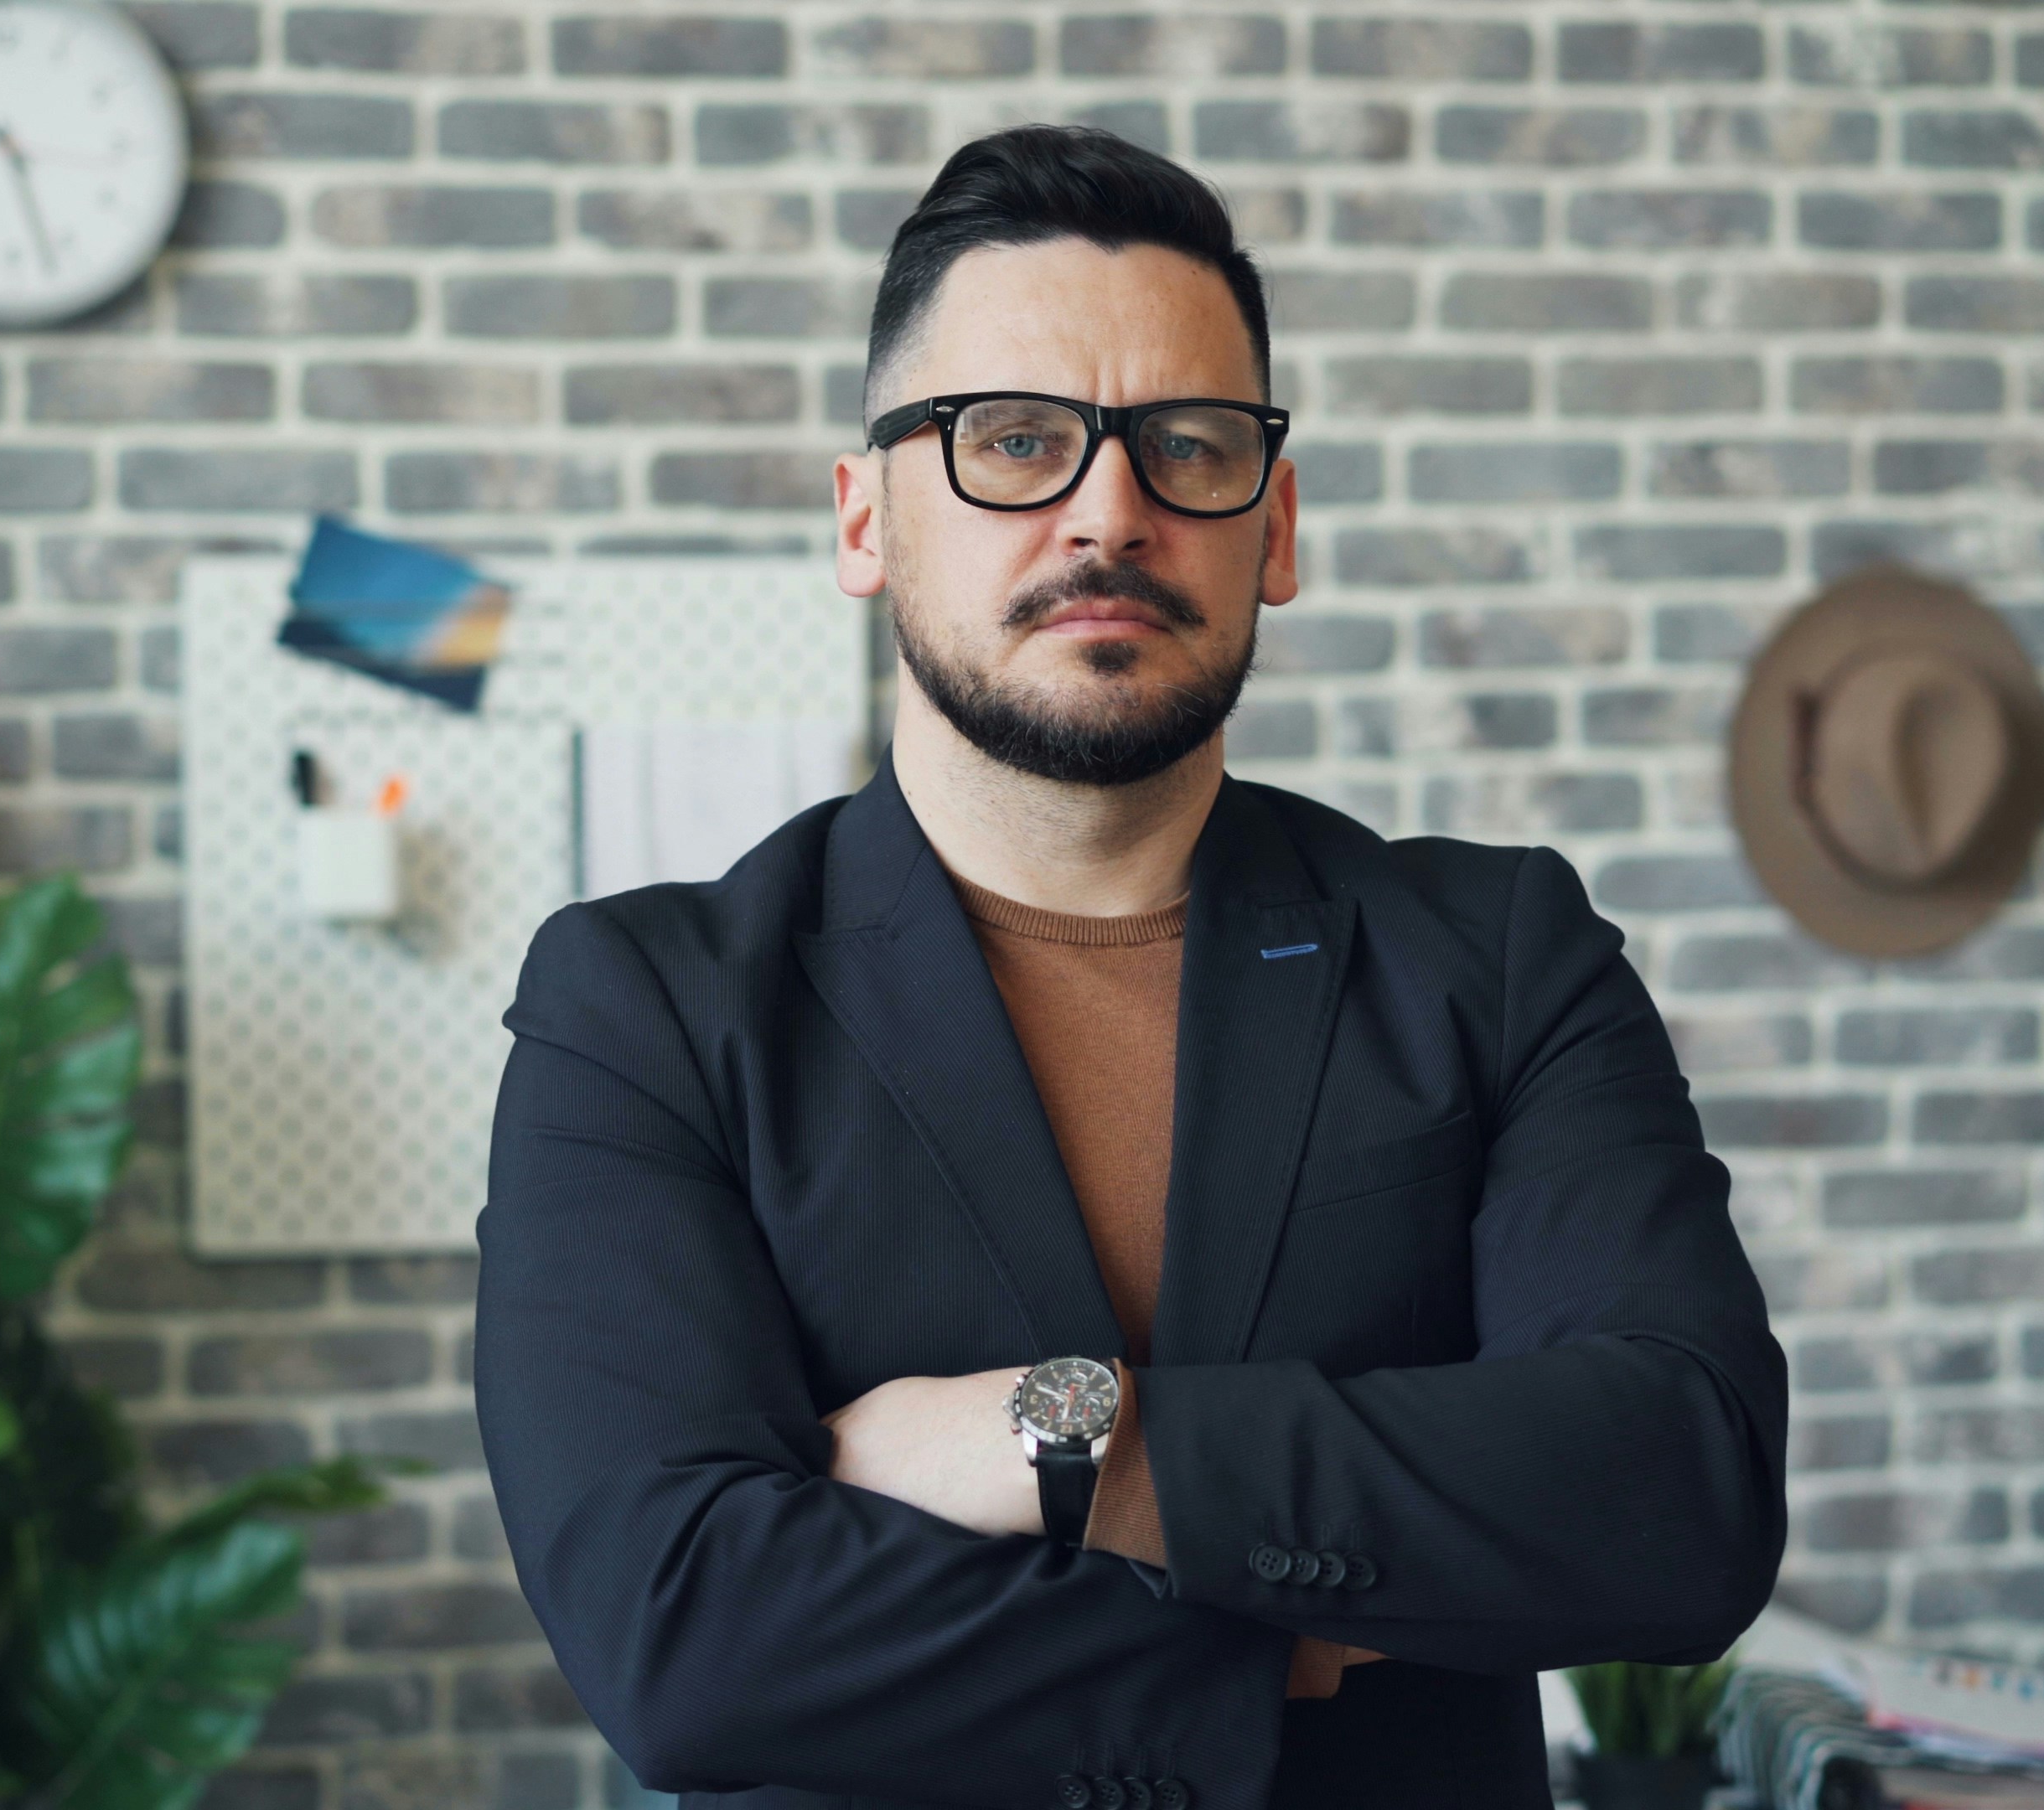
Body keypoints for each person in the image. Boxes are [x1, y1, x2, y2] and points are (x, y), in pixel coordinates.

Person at [472, 123, 1788, 1810]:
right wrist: (1274, 1639)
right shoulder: (645, 1006)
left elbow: (1679, 1494)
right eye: (1013, 440)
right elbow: (682, 1637)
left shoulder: (1497, 955)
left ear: (1278, 528)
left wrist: (1069, 1439)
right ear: (867, 515)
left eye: (1190, 445)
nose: (1111, 510)